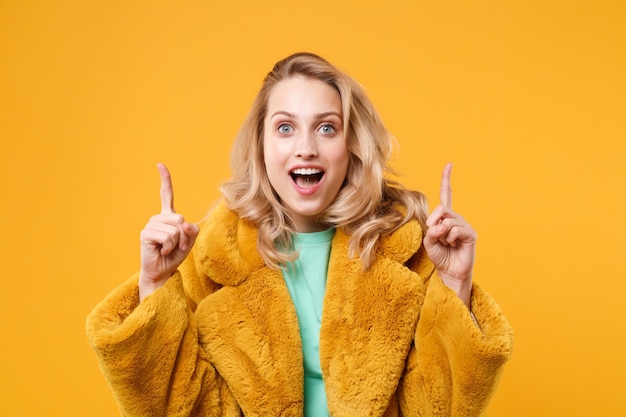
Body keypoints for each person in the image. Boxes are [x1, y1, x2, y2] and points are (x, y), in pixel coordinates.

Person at [86, 52, 513, 417]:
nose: (305, 147)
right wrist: (154, 284)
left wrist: (455, 283)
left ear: (351, 146)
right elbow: (181, 406)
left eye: (326, 127)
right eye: (285, 127)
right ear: (262, 145)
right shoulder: (216, 258)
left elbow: (436, 407)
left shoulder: (406, 249)